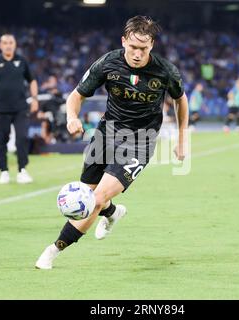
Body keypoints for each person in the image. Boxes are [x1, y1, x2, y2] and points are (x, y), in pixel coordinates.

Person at [35, 16, 189, 269]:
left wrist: (183, 138)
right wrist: (72, 117)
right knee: (89, 193)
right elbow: (76, 95)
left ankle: (53, 250)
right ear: (123, 41)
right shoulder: (108, 63)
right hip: (106, 134)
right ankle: (113, 213)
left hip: (141, 140)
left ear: (152, 46)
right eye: (133, 47)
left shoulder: (165, 71)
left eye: (144, 49)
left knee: (93, 200)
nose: (138, 54)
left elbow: (180, 99)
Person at [0, 34, 39, 184]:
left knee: (22, 138)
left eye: (11, 42)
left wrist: (34, 99)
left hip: (20, 108)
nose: (8, 45)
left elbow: (32, 80)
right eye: (5, 43)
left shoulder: (22, 61)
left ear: (15, 45)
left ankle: (22, 170)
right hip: (0, 109)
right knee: (1, 140)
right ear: (0, 45)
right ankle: (4, 171)